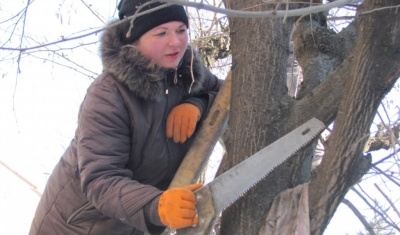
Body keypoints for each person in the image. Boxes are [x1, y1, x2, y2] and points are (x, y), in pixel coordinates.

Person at [29, 0, 222, 234]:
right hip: (76, 227)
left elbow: (221, 91)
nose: (176, 42)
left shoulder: (186, 72)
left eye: (181, 30)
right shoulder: (108, 94)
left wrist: (197, 104)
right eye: (161, 33)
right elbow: (101, 179)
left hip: (130, 227)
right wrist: (157, 206)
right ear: (134, 39)